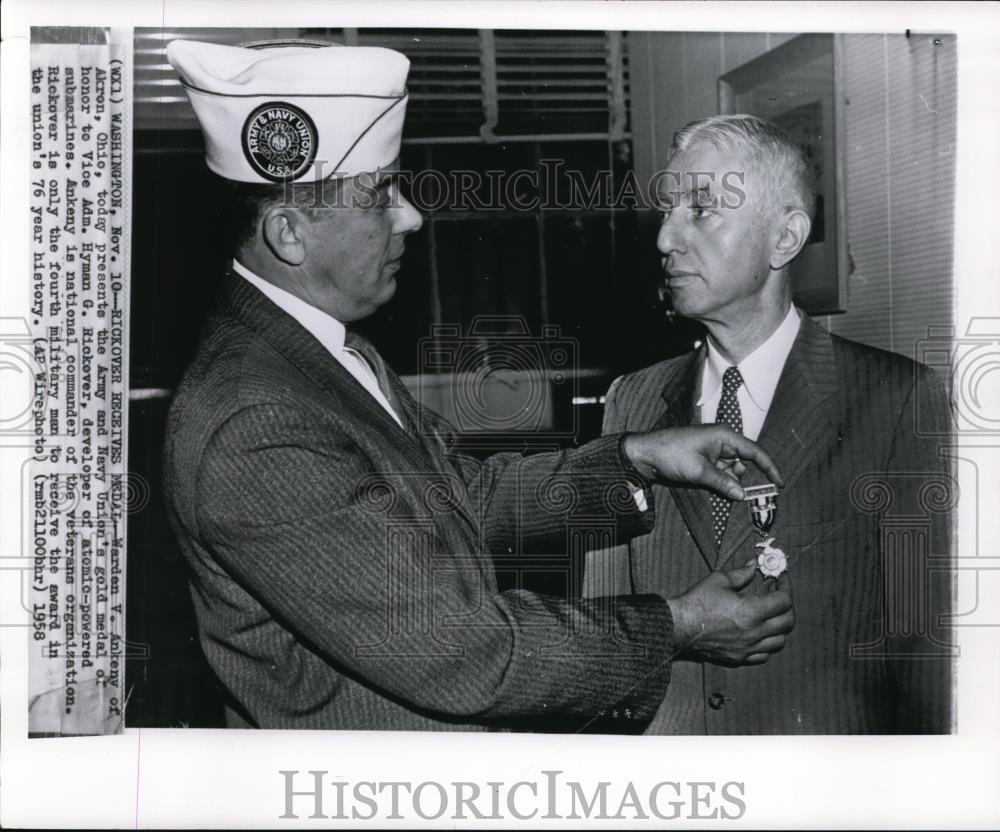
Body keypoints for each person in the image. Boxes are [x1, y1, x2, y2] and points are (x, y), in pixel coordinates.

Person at [162, 40, 795, 731]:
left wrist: (631, 459)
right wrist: (679, 625)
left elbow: (454, 500)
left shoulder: (317, 355)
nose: (411, 216)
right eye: (380, 195)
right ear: (289, 234)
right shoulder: (255, 417)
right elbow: (463, 650)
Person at [585, 114, 954, 734]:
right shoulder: (632, 403)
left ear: (785, 240)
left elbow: (924, 646)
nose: (665, 240)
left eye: (701, 211)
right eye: (667, 211)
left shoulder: (897, 401)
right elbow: (598, 621)